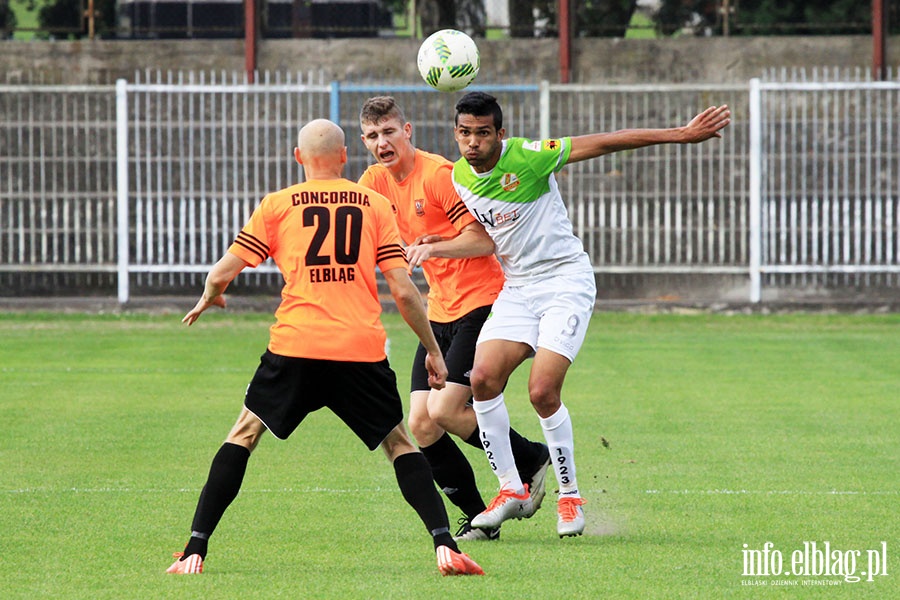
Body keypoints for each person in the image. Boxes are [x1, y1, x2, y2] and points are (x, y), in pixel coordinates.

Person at [166, 118, 483, 576]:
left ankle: (195, 550)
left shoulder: (277, 205)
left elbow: (221, 272)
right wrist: (432, 349)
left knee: (242, 435)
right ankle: (444, 545)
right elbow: (403, 289)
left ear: (299, 159)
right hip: (359, 349)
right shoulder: (374, 204)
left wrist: (211, 295)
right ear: (345, 157)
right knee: (398, 443)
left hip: (296, 346)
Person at [442, 91, 732, 537]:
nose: (473, 142)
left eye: (483, 133)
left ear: (501, 133)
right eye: (465, 133)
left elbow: (609, 140)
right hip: (518, 289)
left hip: (564, 282)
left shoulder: (530, 157)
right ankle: (511, 490)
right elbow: (486, 238)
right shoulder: (460, 175)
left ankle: (571, 495)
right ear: (456, 134)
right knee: (481, 380)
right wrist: (433, 248)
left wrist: (681, 134)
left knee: (541, 391)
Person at [357, 96, 551, 542]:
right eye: (372, 136)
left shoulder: (440, 175)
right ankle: (481, 517)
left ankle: (531, 458)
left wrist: (434, 246)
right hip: (439, 310)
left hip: (483, 302)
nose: (381, 143)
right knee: (422, 423)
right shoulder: (373, 183)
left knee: (445, 410)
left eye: (389, 132)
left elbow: (482, 240)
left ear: (407, 131)